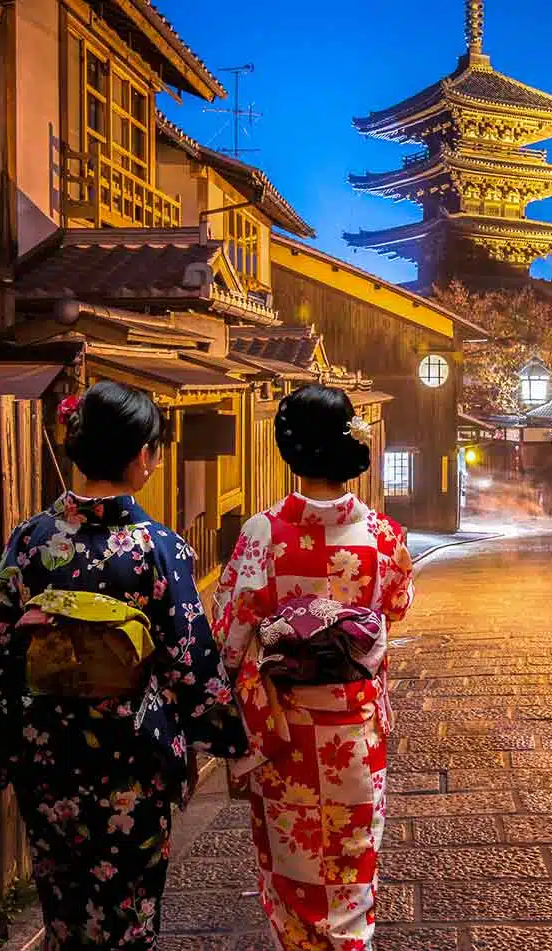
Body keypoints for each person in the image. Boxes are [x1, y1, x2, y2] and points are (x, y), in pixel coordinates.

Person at [0, 380, 247, 951]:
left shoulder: (31, 538)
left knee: (64, 902)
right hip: (129, 756)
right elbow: (189, 660)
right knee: (129, 909)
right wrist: (227, 733)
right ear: (141, 457)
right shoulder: (156, 548)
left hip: (46, 750)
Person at [211, 384, 415, 951]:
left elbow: (229, 637)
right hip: (354, 731)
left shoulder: (263, 533)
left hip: (285, 733)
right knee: (351, 877)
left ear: (288, 449)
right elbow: (394, 611)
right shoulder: (383, 535)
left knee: (290, 878)